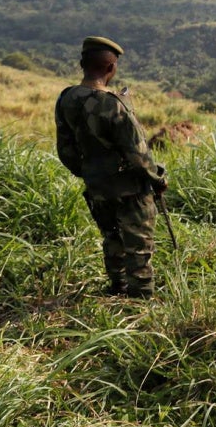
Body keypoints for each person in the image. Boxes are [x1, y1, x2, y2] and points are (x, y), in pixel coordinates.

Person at [55, 36, 167, 298]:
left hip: (97, 186)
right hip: (129, 189)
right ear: (110, 68)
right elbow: (139, 155)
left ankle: (117, 288)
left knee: (112, 238)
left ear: (83, 63)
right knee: (139, 246)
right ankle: (140, 300)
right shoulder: (114, 104)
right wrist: (158, 179)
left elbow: (65, 150)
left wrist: (91, 172)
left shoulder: (66, 99)